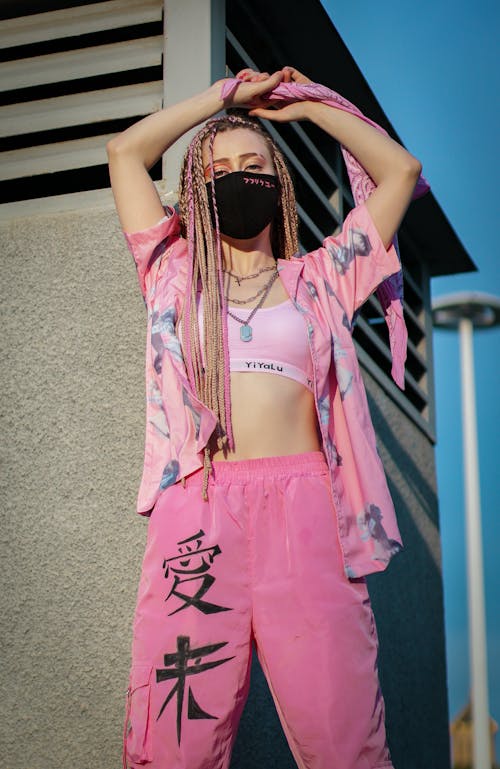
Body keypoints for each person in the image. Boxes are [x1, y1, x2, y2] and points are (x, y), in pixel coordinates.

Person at [107, 66, 423, 769]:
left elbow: (400, 170)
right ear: (197, 186)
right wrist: (226, 98)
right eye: (220, 168)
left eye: (254, 166)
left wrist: (307, 105)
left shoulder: (320, 278)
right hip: (200, 510)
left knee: (345, 741)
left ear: (277, 183)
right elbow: (125, 152)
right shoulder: (169, 270)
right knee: (172, 742)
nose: (239, 177)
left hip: (308, 514)